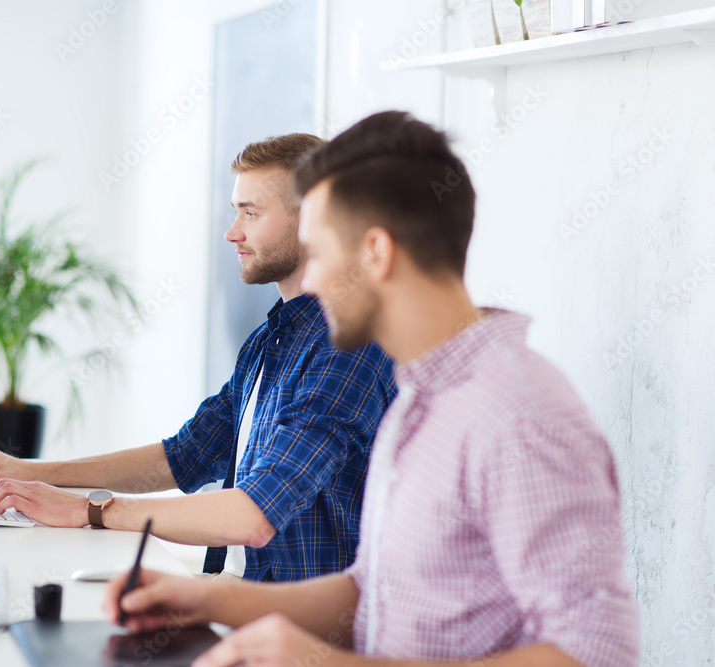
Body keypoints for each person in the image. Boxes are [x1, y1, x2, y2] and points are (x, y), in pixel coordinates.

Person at [100, 111, 640, 666]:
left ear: (375, 253)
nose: (308, 280)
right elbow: (375, 591)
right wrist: (210, 598)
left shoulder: (518, 413)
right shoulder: (421, 399)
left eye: (321, 252)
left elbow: (596, 653)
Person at [0, 133, 396, 582]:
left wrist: (91, 510)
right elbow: (183, 456)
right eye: (235, 211)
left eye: (250, 213)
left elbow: (256, 514)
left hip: (301, 632)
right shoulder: (269, 340)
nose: (232, 232)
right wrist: (30, 474)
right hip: (243, 599)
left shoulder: (347, 348)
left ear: (312, 219)